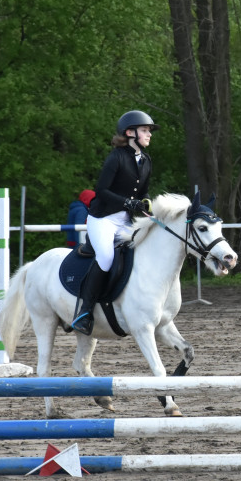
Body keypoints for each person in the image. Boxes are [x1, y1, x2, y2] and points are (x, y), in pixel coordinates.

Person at [70, 110, 159, 335]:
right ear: (130, 133)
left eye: (149, 131)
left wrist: (145, 204)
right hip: (103, 219)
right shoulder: (116, 157)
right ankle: (85, 311)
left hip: (126, 221)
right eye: (145, 130)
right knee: (107, 256)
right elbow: (101, 190)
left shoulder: (146, 160)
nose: (149, 134)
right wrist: (128, 202)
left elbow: (144, 192)